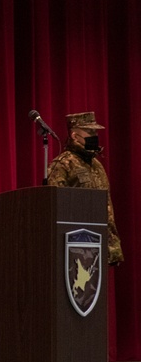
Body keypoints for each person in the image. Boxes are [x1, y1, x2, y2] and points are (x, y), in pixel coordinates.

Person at [46, 111, 123, 266]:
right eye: (89, 132)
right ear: (74, 135)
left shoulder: (96, 164)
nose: (94, 136)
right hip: (76, 247)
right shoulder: (62, 164)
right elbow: (55, 207)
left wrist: (113, 247)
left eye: (95, 131)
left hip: (101, 243)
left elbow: (107, 206)